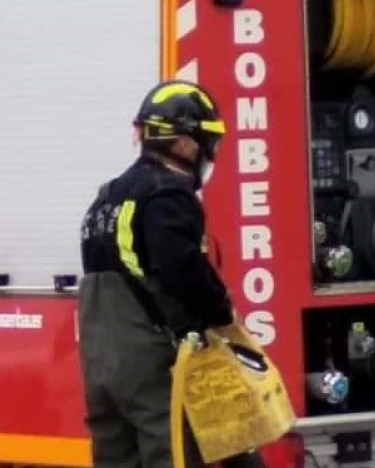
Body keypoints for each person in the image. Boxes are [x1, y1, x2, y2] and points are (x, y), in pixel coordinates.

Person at [77, 79, 243, 468]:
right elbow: (182, 268)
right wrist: (222, 314)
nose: (209, 152)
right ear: (184, 142)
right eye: (207, 140)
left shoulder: (107, 197)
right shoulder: (168, 195)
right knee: (172, 456)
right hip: (147, 366)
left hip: (100, 364)